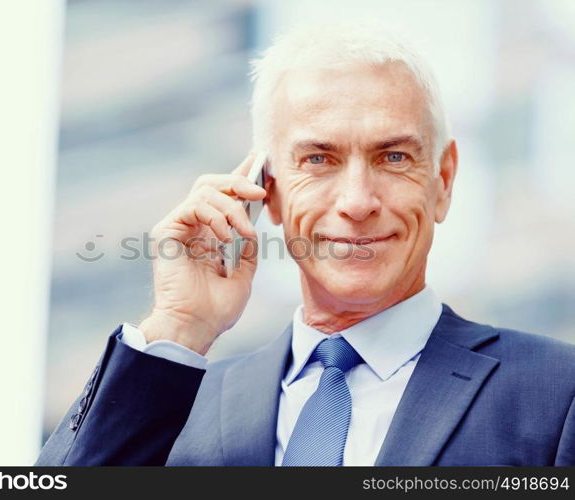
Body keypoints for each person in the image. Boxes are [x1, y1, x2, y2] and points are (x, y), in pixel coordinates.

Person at [36, 24, 575, 466]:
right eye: (318, 159)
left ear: (444, 180)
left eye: (393, 157)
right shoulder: (174, 403)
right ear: (265, 189)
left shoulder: (557, 392)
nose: (358, 201)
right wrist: (178, 325)